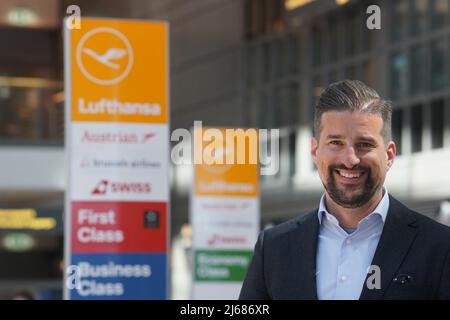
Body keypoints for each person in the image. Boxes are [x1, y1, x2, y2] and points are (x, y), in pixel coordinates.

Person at [239, 80, 450, 300]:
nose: (350, 160)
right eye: (336, 143)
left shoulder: (440, 247)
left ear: (388, 155)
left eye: (365, 145)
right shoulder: (274, 248)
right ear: (315, 150)